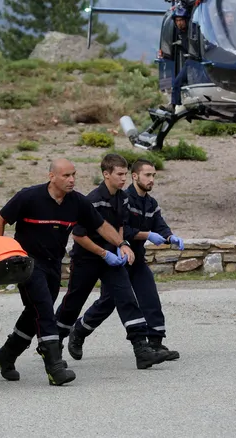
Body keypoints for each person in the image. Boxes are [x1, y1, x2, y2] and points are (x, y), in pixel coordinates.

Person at [0, 157, 133, 386]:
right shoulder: (29, 196)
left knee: (34, 310)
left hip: (54, 264)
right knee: (45, 308)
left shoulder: (77, 202)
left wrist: (122, 243)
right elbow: (0, 219)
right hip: (28, 263)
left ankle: (6, 354)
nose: (72, 179)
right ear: (51, 177)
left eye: (74, 174)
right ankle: (54, 366)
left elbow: (101, 226)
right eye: (66, 175)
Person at [54, 154, 173, 370]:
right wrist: (104, 252)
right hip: (88, 258)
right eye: (119, 174)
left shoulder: (122, 197)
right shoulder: (92, 200)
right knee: (73, 303)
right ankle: (55, 344)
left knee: (127, 298)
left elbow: (120, 225)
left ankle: (142, 349)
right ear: (106, 174)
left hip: (111, 258)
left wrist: (121, 245)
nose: (123, 179)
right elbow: (79, 235)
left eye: (125, 174)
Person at [170, 5, 190, 109]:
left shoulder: (191, 31)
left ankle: (175, 106)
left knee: (177, 82)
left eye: (181, 20)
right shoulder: (180, 32)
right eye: (177, 20)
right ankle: (175, 105)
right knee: (177, 82)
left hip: (193, 61)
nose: (179, 23)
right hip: (189, 61)